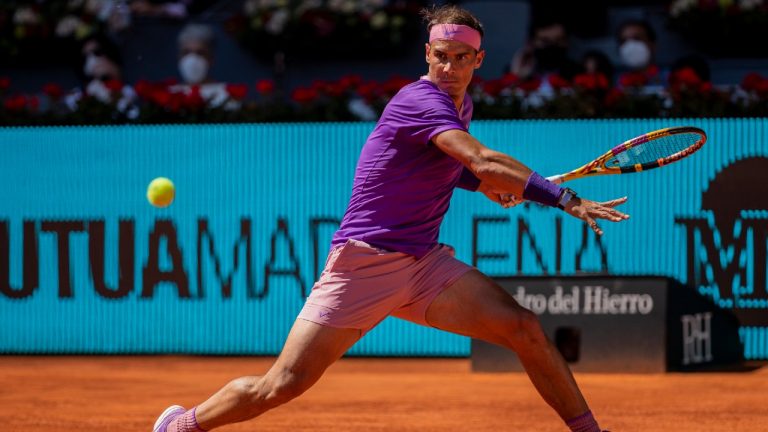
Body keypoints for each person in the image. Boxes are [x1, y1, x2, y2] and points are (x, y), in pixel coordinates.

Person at [153, 5, 627, 432]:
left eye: (462, 58)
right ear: (427, 53)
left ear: (478, 61)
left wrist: (484, 187)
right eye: (441, 55)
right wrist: (562, 197)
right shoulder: (420, 99)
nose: (450, 67)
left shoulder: (462, 105)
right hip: (364, 263)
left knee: (524, 328)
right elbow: (479, 159)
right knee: (280, 386)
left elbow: (448, 166)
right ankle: (182, 425)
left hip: (422, 266)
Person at [168, 23, 239, 110]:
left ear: (211, 59)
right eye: (186, 52)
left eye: (200, 53)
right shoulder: (169, 94)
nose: (192, 59)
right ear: (179, 58)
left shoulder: (226, 94)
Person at [509, 15, 580, 82]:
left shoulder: (577, 73)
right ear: (531, 42)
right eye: (545, 41)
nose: (552, 46)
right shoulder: (515, 69)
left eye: (558, 41)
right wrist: (519, 78)